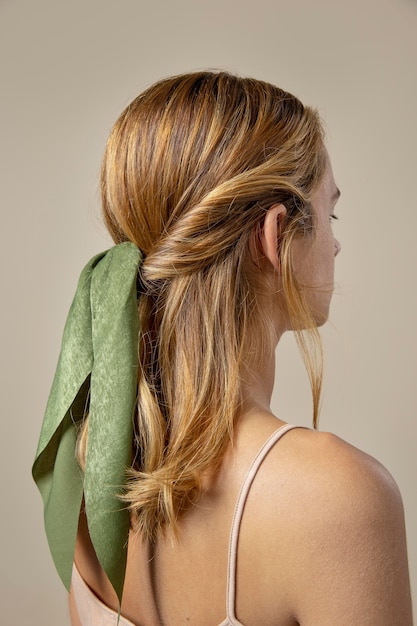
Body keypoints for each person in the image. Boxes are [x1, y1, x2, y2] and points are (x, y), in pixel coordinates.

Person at [33, 71, 413, 625]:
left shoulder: (90, 461)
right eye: (328, 213)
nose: (335, 241)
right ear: (274, 236)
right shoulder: (336, 498)